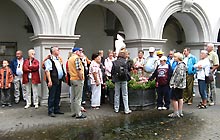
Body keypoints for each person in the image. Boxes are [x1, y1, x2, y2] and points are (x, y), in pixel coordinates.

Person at [44, 46, 66, 117]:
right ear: (53, 52)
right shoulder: (49, 60)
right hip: (53, 80)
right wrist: (49, 81)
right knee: (52, 95)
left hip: (58, 80)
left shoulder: (58, 59)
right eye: (57, 50)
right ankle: (51, 110)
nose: (59, 51)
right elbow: (47, 71)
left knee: (57, 95)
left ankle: (56, 109)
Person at [68, 47, 86, 119]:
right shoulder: (76, 58)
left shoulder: (70, 59)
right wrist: (81, 78)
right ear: (76, 52)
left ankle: (73, 112)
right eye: (79, 51)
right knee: (78, 97)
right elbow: (78, 69)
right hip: (77, 79)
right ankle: (78, 113)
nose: (80, 52)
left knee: (73, 97)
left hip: (72, 78)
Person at [168, 52, 186, 118]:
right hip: (180, 85)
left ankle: (176, 112)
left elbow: (180, 76)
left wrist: (175, 84)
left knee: (174, 98)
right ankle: (179, 111)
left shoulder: (180, 65)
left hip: (178, 85)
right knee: (180, 98)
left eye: (175, 57)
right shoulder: (180, 64)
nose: (174, 58)